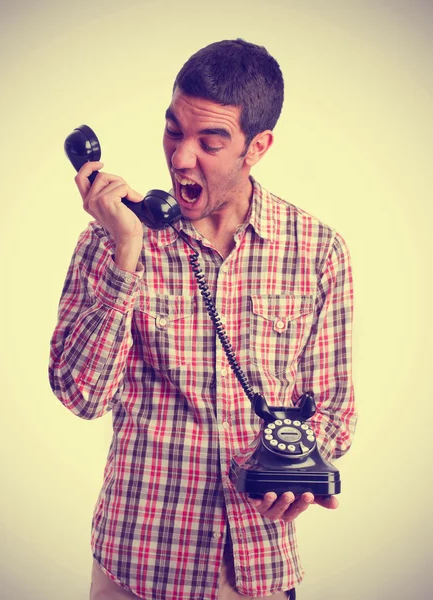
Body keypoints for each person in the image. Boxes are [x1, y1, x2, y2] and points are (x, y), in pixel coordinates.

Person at [49, 39, 357, 600]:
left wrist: (296, 473)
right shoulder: (110, 239)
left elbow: (334, 410)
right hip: (137, 566)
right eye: (173, 131)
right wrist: (127, 253)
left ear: (256, 146)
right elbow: (82, 395)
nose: (181, 157)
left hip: (256, 572)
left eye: (210, 142)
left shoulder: (318, 251)